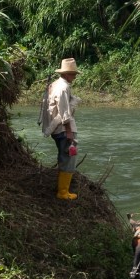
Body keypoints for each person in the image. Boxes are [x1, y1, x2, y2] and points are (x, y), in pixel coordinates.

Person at [41, 58, 81, 199]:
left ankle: (63, 190)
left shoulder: (54, 84)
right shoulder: (63, 88)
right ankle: (63, 192)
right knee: (69, 157)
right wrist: (69, 131)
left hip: (56, 128)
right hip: (63, 129)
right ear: (65, 74)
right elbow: (64, 112)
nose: (74, 77)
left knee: (65, 156)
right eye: (72, 74)